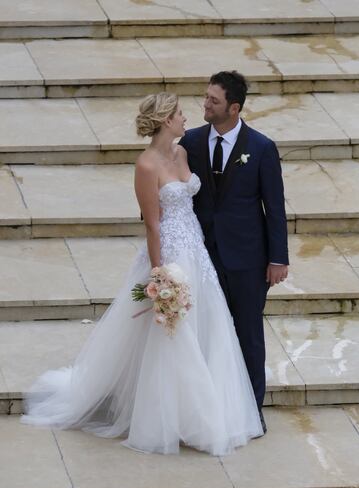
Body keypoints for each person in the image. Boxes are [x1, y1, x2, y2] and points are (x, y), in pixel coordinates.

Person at [21, 92, 263, 456]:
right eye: (180, 114)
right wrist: (161, 275)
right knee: (171, 338)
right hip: (169, 253)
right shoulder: (146, 166)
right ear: (167, 120)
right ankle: (170, 416)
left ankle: (207, 410)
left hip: (196, 249)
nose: (187, 118)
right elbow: (153, 225)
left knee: (208, 326)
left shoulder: (182, 153)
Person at [179, 71, 289, 432]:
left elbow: (274, 207)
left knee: (248, 335)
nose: (205, 104)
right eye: (206, 97)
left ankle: (251, 413)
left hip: (247, 260)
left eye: (213, 100)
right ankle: (209, 410)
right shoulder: (191, 142)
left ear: (234, 107)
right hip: (202, 256)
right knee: (206, 333)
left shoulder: (261, 148)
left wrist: (278, 259)